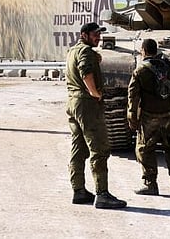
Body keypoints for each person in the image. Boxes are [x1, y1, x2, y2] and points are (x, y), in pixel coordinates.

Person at [65, 22, 127, 209]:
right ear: (84, 35)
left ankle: (78, 191)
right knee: (99, 148)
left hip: (74, 102)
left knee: (78, 148)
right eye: (94, 34)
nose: (98, 37)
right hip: (87, 104)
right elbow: (86, 72)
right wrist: (95, 93)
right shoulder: (86, 52)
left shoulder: (73, 51)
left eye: (99, 34)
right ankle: (102, 194)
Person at [127, 38, 170, 198]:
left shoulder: (140, 71)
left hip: (149, 116)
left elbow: (133, 96)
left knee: (145, 149)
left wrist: (132, 117)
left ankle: (150, 184)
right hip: (169, 115)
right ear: (156, 50)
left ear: (143, 51)